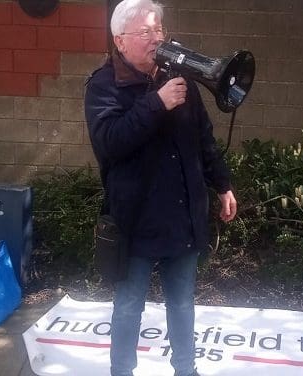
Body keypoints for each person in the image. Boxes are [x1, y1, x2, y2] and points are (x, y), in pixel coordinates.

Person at [84, 0, 237, 375]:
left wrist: (222, 184)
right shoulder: (103, 86)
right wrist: (156, 103)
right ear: (120, 41)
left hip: (181, 215)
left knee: (183, 304)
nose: (156, 39)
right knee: (129, 305)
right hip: (135, 219)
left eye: (159, 30)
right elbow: (110, 142)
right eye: (145, 32)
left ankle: (186, 369)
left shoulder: (179, 77)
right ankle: (122, 371)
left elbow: (203, 138)